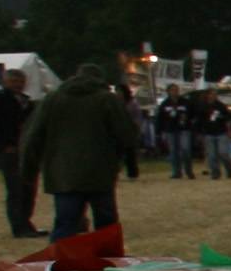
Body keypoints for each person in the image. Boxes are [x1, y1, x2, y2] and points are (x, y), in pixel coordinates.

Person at [18, 69, 142, 240]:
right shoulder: (106, 99)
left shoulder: (52, 99)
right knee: (106, 225)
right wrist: (125, 161)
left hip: (63, 172)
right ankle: (107, 255)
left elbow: (33, 136)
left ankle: (62, 255)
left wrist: (28, 171)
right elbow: (127, 135)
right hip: (100, 171)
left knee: (65, 224)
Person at [0, 67, 36, 235]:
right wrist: (4, 145)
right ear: (5, 82)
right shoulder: (0, 100)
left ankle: (26, 223)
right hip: (9, 151)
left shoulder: (27, 102)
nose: (17, 85)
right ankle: (19, 227)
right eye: (13, 81)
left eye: (20, 82)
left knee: (28, 189)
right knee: (16, 190)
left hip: (25, 150)